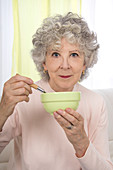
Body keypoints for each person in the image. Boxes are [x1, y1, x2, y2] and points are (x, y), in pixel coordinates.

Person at [0, 12, 113, 170]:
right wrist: (3, 110)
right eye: (55, 54)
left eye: (74, 55)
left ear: (85, 64)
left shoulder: (96, 102)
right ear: (44, 62)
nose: (65, 65)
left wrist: (81, 143)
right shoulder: (24, 98)